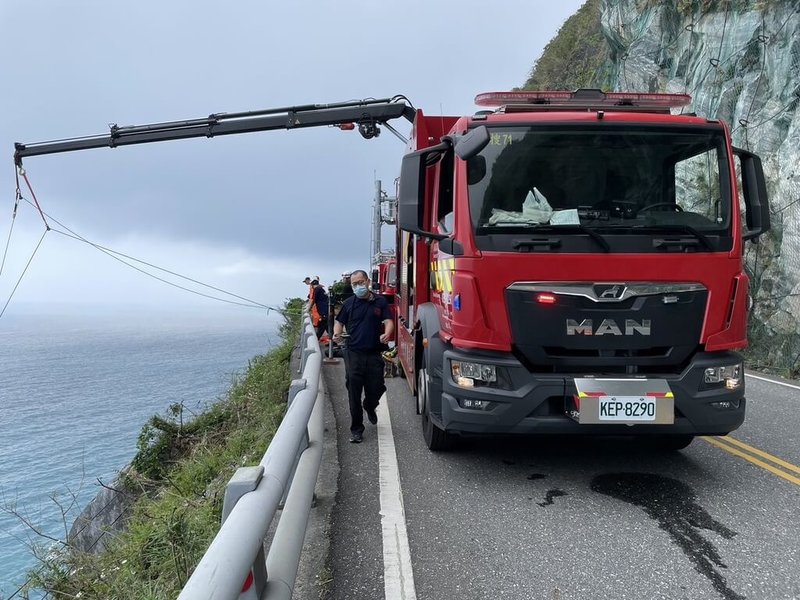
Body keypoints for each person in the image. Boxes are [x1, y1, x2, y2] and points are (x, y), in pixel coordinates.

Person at [332, 269, 394, 444]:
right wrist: (337, 335)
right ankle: (356, 430)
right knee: (354, 391)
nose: (358, 286)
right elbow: (339, 323)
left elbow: (389, 321)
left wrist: (387, 333)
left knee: (378, 387)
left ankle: (370, 405)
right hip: (353, 352)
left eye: (360, 282)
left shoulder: (380, 302)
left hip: (374, 352)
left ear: (367, 281)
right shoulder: (349, 304)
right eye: (354, 284)